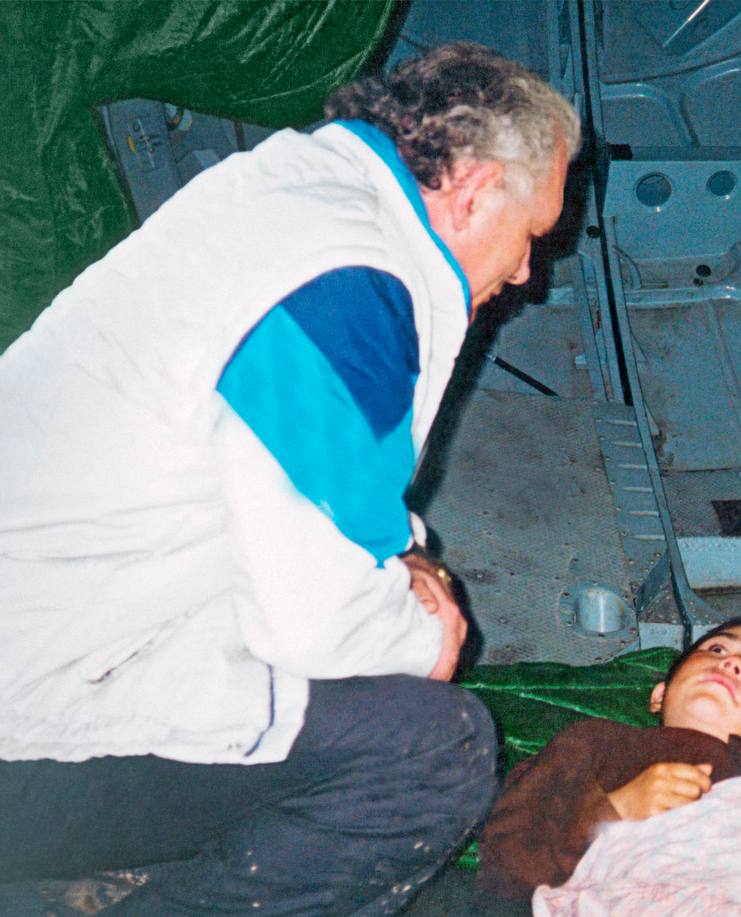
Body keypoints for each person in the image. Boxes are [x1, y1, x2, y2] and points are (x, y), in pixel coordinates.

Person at [0, 43, 579, 915]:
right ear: (476, 191)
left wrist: (407, 560)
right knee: (433, 750)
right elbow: (315, 623)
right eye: (532, 232)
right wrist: (430, 640)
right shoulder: (349, 286)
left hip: (59, 635)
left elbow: (305, 491)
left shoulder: (296, 202)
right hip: (24, 714)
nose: (529, 271)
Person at [477, 615, 741, 900]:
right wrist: (614, 811)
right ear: (660, 694)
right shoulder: (593, 742)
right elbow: (507, 863)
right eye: (717, 649)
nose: (734, 663)